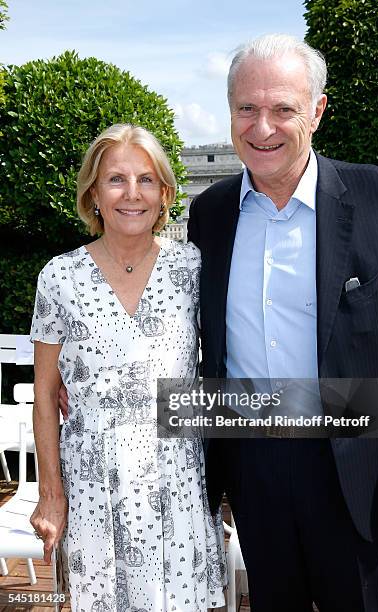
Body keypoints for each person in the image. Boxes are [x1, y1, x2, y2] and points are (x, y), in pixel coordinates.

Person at [188, 34, 378, 612]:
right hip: (250, 464)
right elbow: (184, 332)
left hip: (352, 464)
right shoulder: (209, 215)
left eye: (283, 108)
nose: (262, 128)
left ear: (317, 109)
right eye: (247, 109)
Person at [30, 123, 226, 612]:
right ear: (94, 192)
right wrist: (52, 494)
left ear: (165, 193)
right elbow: (44, 394)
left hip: (176, 480)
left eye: (146, 180)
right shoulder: (59, 276)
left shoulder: (193, 269)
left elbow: (224, 362)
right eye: (116, 179)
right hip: (94, 486)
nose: (132, 194)